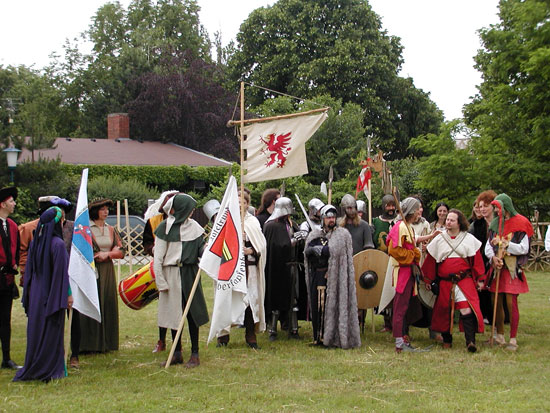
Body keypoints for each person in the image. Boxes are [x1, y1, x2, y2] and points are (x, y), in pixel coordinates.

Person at [14, 207, 73, 381]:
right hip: (51, 294)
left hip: (36, 294)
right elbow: (61, 274)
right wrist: (67, 295)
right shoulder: (58, 245)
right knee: (51, 330)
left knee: (37, 329)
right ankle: (50, 367)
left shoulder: (36, 242)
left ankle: (35, 364)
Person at [154, 193, 209, 367]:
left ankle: (195, 354)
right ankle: (177, 352)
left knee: (192, 313)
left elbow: (201, 250)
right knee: (174, 314)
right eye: (190, 208)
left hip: (190, 274)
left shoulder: (195, 228)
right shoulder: (165, 228)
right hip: (171, 274)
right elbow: (158, 258)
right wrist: (161, 282)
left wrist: (208, 248)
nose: (192, 211)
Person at [422, 209, 486, 353]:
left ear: (459, 223)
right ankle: (447, 341)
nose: (448, 222)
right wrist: (428, 279)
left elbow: (476, 261)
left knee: (466, 309)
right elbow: (431, 261)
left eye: (452, 220)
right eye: (447, 220)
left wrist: (480, 279)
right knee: (445, 310)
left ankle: (470, 341)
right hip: (445, 282)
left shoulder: (469, 239)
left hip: (464, 280)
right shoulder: (439, 239)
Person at [304, 204, 361, 349]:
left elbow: (336, 252)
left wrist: (323, 250)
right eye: (328, 217)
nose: (331, 219)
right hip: (317, 275)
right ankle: (318, 337)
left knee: (329, 306)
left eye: (333, 217)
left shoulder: (342, 234)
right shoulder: (315, 234)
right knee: (317, 306)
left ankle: (331, 336)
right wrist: (311, 250)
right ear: (323, 218)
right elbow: (307, 252)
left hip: (334, 276)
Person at [216, 191, 267, 349]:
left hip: (249, 269)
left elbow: (261, 245)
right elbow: (218, 244)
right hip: (231, 269)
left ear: (247, 204)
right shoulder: (226, 220)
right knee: (227, 300)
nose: (240, 205)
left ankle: (250, 336)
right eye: (237, 202)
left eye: (243, 202)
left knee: (251, 302)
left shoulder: (252, 222)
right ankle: (223, 336)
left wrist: (250, 250)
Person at [485, 193, 533, 351]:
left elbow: (524, 248)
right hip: (498, 267)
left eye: (499, 208)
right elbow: (488, 246)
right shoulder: (495, 224)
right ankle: (499, 335)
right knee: (495, 301)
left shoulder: (521, 222)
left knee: (510, 303)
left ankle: (513, 338)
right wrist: (493, 257)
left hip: (512, 267)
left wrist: (505, 244)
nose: (497, 211)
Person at [79, 198, 124, 353]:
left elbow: (121, 250)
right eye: (102, 209)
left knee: (108, 302)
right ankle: (90, 344)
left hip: (107, 270)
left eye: (107, 209)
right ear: (95, 211)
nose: (106, 212)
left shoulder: (111, 229)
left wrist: (107, 254)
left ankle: (107, 342)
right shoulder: (86, 229)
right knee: (93, 301)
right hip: (91, 270)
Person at [142, 191, 178, 354]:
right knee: (164, 306)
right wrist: (155, 252)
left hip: (176, 269)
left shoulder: (184, 222)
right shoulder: (154, 221)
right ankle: (161, 340)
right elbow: (147, 243)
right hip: (159, 266)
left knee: (176, 307)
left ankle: (177, 343)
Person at [263, 197, 304, 340]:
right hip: (276, 267)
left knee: (293, 298)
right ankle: (272, 330)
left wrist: (301, 238)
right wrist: (294, 241)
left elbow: (297, 245)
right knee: (275, 298)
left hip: (292, 266)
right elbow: (278, 246)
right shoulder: (271, 226)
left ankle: (293, 329)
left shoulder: (291, 225)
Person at [386, 197, 422, 353]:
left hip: (409, 271)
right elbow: (393, 250)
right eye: (418, 208)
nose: (419, 211)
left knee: (405, 306)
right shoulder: (400, 227)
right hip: (403, 271)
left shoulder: (408, 227)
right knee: (400, 307)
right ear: (412, 211)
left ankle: (402, 340)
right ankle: (399, 343)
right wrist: (412, 254)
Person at [469, 190, 498, 325]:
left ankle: (500, 318)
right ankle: (486, 315)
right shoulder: (477, 225)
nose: (482, 209)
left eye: (486, 206)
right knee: (483, 290)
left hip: (498, 260)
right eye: (480, 207)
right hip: (481, 260)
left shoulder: (500, 224)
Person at [0, 187, 21, 370]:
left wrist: (13, 264)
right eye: (11, 201)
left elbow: (16, 249)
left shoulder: (13, 226)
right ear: (3, 204)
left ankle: (6, 358)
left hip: (6, 279)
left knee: (5, 319)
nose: (14, 204)